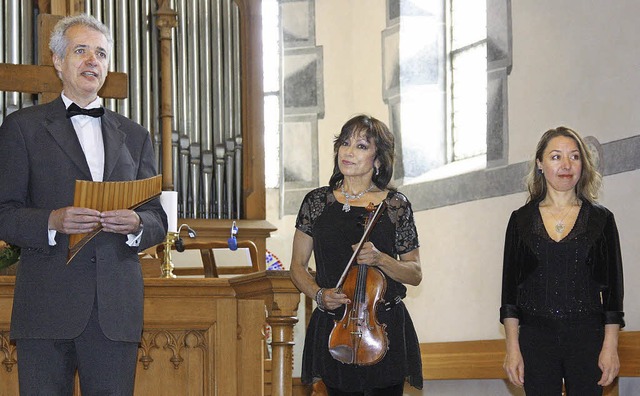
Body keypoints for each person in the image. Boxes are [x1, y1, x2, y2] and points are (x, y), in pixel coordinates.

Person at [0, 14, 167, 395]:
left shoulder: (136, 136)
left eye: (101, 54)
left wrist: (137, 225)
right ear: (58, 61)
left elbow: (157, 216)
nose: (93, 60)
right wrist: (51, 220)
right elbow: (3, 212)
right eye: (81, 51)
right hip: (45, 305)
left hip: (115, 310)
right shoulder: (22, 128)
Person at [290, 114, 423, 395]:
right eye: (345, 143)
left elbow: (414, 273)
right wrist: (318, 294)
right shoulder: (317, 202)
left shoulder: (395, 205)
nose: (348, 152)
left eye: (361, 146)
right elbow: (297, 266)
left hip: (382, 327)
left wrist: (381, 259)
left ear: (378, 160)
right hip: (334, 327)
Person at [500, 127, 624, 395]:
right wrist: (512, 349)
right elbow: (509, 296)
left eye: (575, 156)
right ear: (540, 164)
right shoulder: (519, 220)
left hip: (587, 338)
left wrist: (610, 347)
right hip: (536, 339)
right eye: (556, 157)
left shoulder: (602, 219)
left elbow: (613, 294)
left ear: (583, 165)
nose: (566, 165)